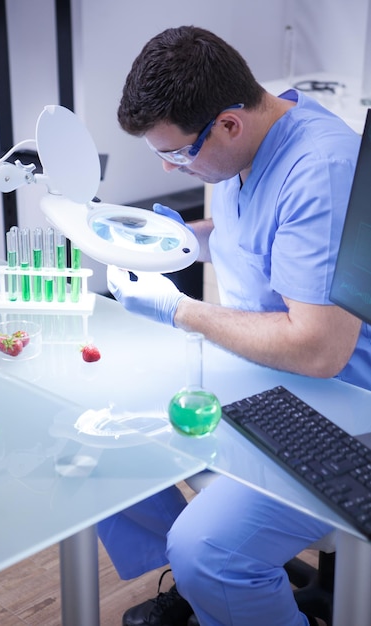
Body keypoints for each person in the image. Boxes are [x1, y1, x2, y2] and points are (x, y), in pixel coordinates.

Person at [97, 25, 369, 626]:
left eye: (177, 152)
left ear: (228, 123)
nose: (175, 165)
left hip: (337, 415)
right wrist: (177, 241)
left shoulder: (321, 168)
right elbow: (262, 239)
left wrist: (178, 309)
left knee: (207, 551)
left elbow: (319, 348)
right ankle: (221, 592)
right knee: (95, 433)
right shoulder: (250, 142)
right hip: (259, 382)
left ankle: (220, 577)